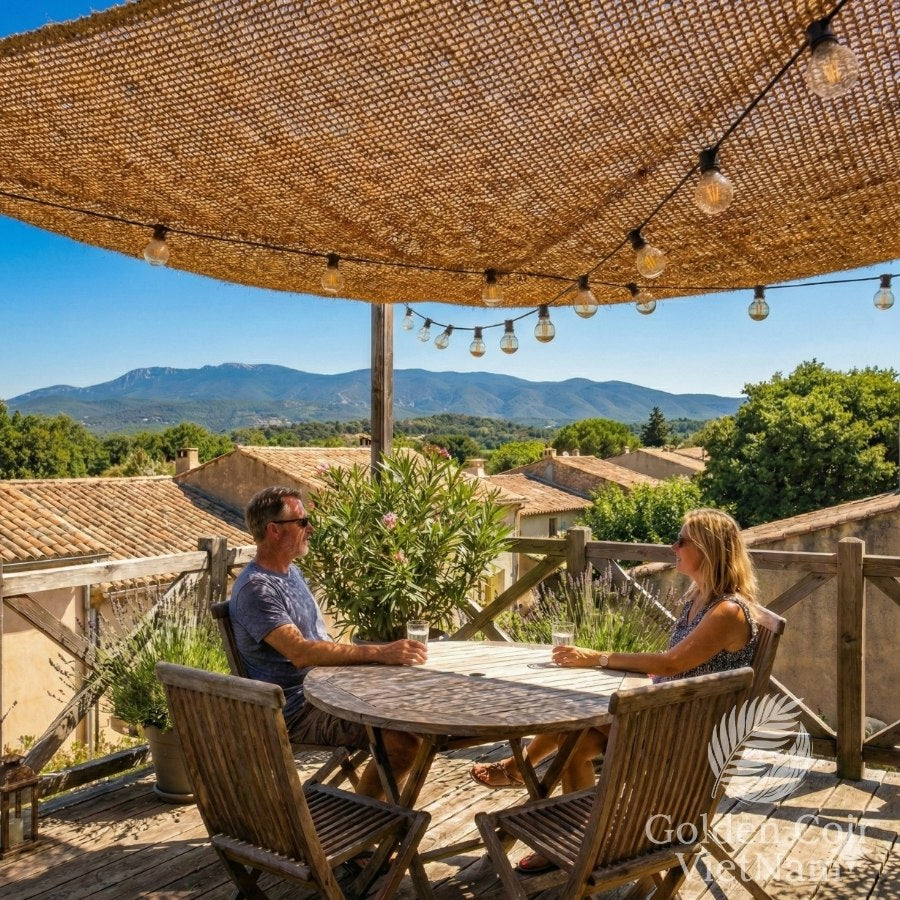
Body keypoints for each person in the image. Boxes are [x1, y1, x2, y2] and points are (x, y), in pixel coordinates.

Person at [470, 507, 759, 873]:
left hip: (687, 735)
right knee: (570, 737)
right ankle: (572, 837)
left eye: (682, 540)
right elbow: (670, 667)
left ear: (708, 549)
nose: (674, 546)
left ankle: (525, 780)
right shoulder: (696, 598)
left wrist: (600, 658)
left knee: (569, 721)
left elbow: (671, 663)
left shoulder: (728, 611)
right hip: (667, 714)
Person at [230, 485, 426, 801]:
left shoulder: (290, 573)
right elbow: (301, 652)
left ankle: (377, 818)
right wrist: (379, 652)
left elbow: (316, 641)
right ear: (274, 531)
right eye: (302, 522)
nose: (311, 528)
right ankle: (363, 833)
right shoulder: (257, 589)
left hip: (330, 688)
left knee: (416, 706)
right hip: (299, 708)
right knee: (403, 741)